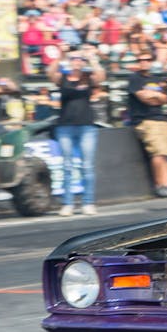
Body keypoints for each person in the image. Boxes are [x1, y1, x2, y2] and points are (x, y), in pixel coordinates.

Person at [47, 50, 106, 216]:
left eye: (80, 59)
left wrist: (92, 59)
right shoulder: (63, 78)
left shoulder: (88, 78)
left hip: (86, 126)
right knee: (67, 166)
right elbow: (50, 73)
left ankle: (88, 202)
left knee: (87, 165)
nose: (77, 62)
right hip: (65, 125)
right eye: (74, 59)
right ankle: (68, 203)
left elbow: (101, 77)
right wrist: (60, 56)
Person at [127, 51, 167, 197]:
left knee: (166, 153)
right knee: (158, 152)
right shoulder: (135, 78)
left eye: (147, 59)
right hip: (146, 120)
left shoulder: (157, 78)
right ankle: (160, 185)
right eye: (141, 60)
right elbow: (144, 98)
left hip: (161, 119)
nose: (144, 62)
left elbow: (166, 99)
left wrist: (155, 95)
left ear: (152, 61)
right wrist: (158, 96)